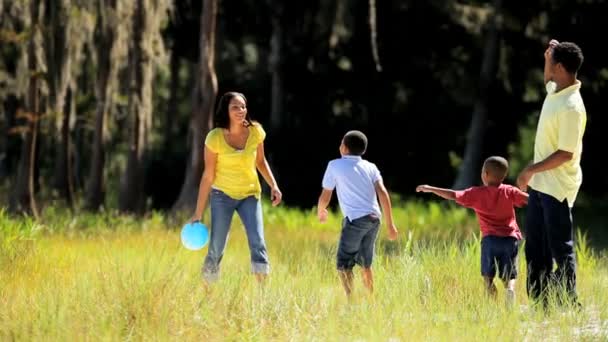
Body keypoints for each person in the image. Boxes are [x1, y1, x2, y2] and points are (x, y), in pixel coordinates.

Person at [516, 39, 586, 307]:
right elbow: (548, 77)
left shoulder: (571, 106)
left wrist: (528, 171)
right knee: (535, 248)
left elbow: (565, 153)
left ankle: (569, 301)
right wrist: (548, 57)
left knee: (560, 248)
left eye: (551, 64)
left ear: (561, 67)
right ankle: (540, 301)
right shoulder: (557, 90)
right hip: (540, 185)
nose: (548, 72)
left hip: (557, 188)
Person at [192, 91, 282, 284]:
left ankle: (262, 295)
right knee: (216, 246)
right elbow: (208, 176)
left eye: (243, 106)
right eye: (235, 107)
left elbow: (260, 161)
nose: (241, 110)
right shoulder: (214, 138)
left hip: (250, 194)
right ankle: (208, 292)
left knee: (258, 242)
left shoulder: (256, 131)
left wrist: (273, 186)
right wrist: (198, 214)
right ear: (226, 110)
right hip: (222, 195)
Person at [417, 156, 528, 305]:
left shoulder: (476, 193)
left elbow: (453, 194)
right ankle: (510, 290)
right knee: (509, 275)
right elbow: (529, 200)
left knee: (488, 278)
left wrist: (430, 188)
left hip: (490, 240)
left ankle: (492, 306)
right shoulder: (510, 191)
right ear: (505, 175)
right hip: (510, 238)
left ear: (485, 174)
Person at [317, 130, 398, 297]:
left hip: (355, 220)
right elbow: (382, 193)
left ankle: (351, 301)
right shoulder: (371, 167)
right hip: (374, 219)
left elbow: (326, 194)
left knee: (344, 263)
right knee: (365, 263)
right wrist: (390, 224)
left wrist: (321, 211)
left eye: (341, 143)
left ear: (344, 148)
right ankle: (371, 299)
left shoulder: (334, 165)